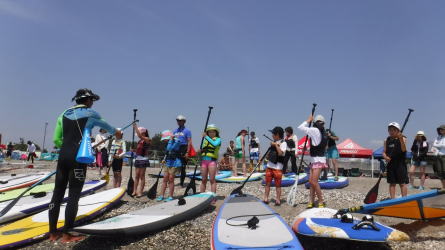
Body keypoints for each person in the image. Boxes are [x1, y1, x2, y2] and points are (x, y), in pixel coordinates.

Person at [49, 88, 120, 243]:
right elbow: (109, 128)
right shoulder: (91, 114)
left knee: (57, 193)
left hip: (63, 157)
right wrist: (118, 133)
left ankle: (53, 233)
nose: (92, 103)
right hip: (78, 159)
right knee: (73, 196)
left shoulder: (63, 114)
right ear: (88, 100)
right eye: (92, 100)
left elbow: (56, 139)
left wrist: (68, 147)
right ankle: (67, 234)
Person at [298, 115, 328, 208]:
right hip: (315, 160)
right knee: (311, 181)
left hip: (318, 160)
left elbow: (300, 127)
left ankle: (321, 201)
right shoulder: (323, 132)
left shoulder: (315, 130)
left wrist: (308, 120)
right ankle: (311, 201)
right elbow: (317, 144)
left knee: (314, 182)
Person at [383, 122, 408, 199]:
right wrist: (385, 157)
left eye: (394, 130)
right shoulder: (386, 140)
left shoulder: (403, 138)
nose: (391, 131)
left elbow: (404, 150)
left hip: (400, 164)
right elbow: (384, 152)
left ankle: (404, 200)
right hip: (391, 164)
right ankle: (392, 200)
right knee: (392, 183)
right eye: (390, 130)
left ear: (398, 131)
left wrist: (400, 139)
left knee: (402, 183)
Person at [263, 127, 286, 206]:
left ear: (277, 135)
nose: (272, 135)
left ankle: (278, 200)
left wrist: (276, 145)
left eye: (273, 134)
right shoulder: (273, 142)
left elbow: (280, 153)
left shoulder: (283, 143)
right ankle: (265, 198)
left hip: (278, 168)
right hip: (269, 166)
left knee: (278, 185)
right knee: (267, 184)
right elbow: (269, 153)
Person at [157, 130, 181, 202]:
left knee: (171, 179)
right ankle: (161, 195)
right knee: (165, 179)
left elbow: (170, 148)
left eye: (165, 139)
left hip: (175, 163)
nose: (164, 141)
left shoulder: (177, 141)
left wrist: (171, 140)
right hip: (168, 162)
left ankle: (170, 196)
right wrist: (164, 159)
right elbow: (167, 152)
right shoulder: (168, 142)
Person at [200, 124, 221, 197]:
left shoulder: (218, 139)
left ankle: (213, 197)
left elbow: (214, 144)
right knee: (203, 180)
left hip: (212, 162)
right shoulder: (205, 140)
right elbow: (203, 149)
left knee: (212, 179)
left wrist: (206, 137)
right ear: (207, 132)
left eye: (213, 132)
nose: (211, 133)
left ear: (216, 133)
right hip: (203, 161)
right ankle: (201, 196)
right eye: (210, 132)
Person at [132, 123, 151, 198]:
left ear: (143, 132)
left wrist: (135, 127)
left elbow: (140, 135)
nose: (139, 134)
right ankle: (134, 191)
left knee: (141, 176)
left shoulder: (148, 139)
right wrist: (134, 150)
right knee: (136, 176)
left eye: (140, 132)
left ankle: (140, 192)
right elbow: (138, 150)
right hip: (138, 159)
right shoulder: (139, 141)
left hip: (144, 159)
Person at [173, 115, 192, 187]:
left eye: (180, 120)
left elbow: (189, 142)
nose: (179, 122)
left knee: (183, 167)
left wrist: (187, 152)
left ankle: (181, 183)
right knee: (173, 166)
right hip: (176, 148)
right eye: (178, 120)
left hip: (184, 148)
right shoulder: (175, 131)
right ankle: (171, 181)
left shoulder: (187, 131)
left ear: (184, 121)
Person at [432, 124, 445, 189]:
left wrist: (438, 145)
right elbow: (434, 144)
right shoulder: (438, 137)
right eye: (440, 129)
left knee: (444, 171)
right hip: (438, 155)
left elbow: (444, 146)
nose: (441, 130)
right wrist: (439, 145)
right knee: (440, 172)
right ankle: (443, 186)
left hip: (444, 156)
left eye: (442, 129)